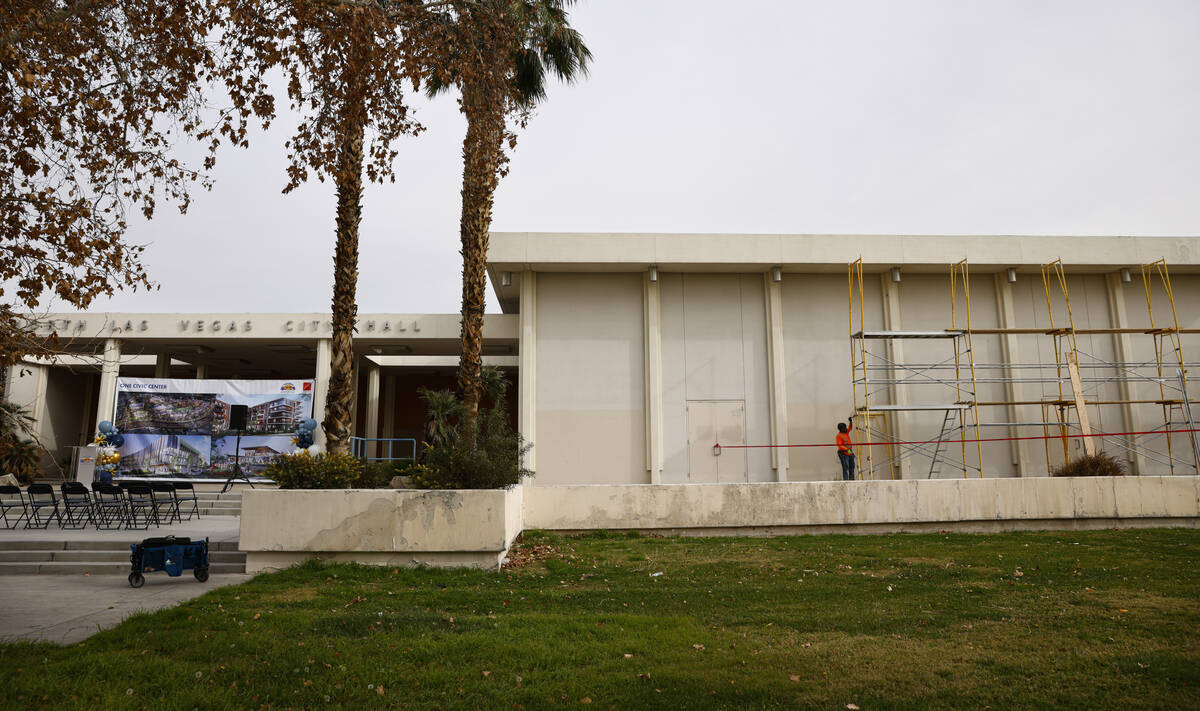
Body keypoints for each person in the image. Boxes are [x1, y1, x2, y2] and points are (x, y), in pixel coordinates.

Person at [836, 415, 855, 481]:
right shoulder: (839, 436)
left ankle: (852, 479)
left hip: (849, 452)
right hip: (844, 453)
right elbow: (840, 445)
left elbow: (850, 428)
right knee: (845, 467)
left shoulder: (846, 432)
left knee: (852, 466)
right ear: (841, 429)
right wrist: (847, 449)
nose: (846, 428)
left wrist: (850, 421)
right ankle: (846, 481)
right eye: (845, 428)